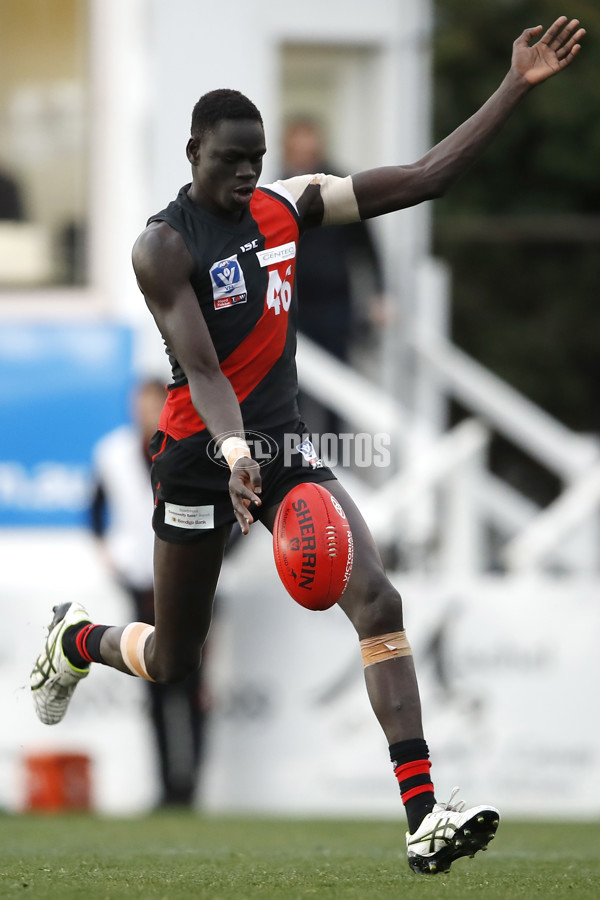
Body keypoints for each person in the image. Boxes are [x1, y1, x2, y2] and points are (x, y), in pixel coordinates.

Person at [31, 17, 584, 874]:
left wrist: (513, 84)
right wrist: (232, 455)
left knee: (379, 602)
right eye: (230, 159)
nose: (248, 171)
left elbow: (430, 177)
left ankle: (424, 816)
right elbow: (204, 369)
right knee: (176, 659)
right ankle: (73, 644)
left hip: (284, 449)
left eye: (255, 158)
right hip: (196, 457)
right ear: (191, 152)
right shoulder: (162, 246)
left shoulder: (289, 205)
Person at [89, 378, 206, 808]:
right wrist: (110, 557)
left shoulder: (192, 447)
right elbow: (96, 510)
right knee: (154, 685)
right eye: (139, 404)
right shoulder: (114, 453)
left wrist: (220, 559)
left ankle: (191, 785)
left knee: (192, 684)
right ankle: (165, 786)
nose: (144, 412)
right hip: (141, 582)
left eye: (153, 403)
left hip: (193, 582)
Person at [281, 117, 386, 440]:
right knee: (290, 391)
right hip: (292, 309)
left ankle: (335, 466)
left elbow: (367, 247)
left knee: (337, 390)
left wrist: (380, 295)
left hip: (336, 305)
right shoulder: (276, 191)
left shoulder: (341, 187)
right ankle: (296, 461)